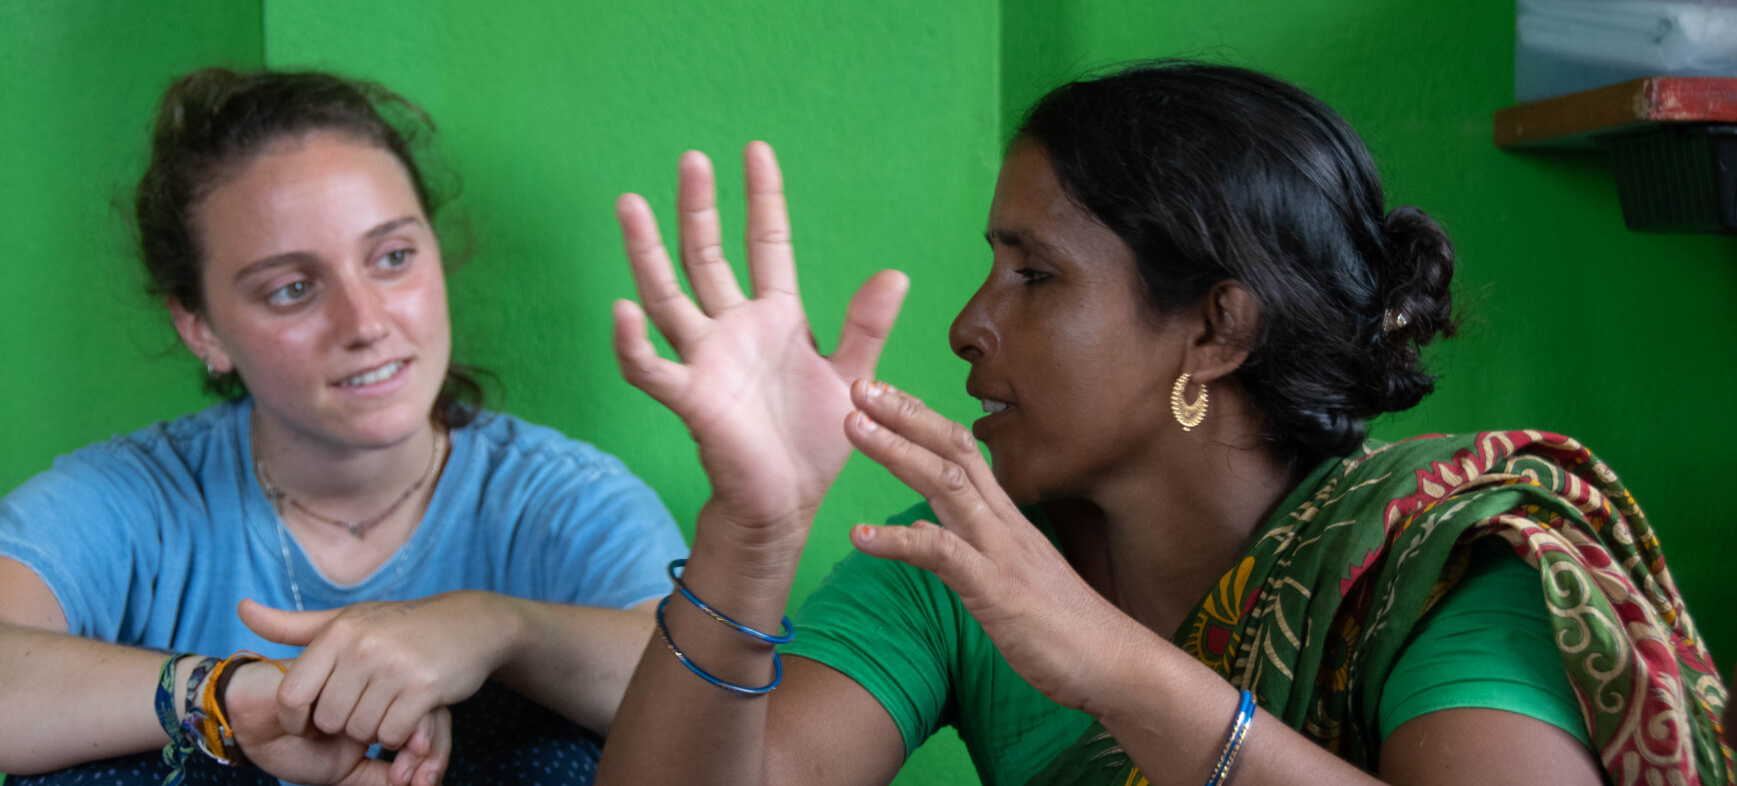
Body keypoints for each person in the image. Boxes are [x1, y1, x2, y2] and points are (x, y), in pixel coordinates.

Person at [595, 61, 1733, 785]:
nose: (966, 326)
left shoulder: (1433, 566)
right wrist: (752, 530)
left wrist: (1113, 668)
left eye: (1033, 275)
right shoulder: (963, 560)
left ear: (1216, 330)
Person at [0, 68, 687, 786]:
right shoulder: (137, 500)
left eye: (393, 258)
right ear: (199, 326)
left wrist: (500, 629)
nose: (365, 323)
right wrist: (230, 697)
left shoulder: (567, 502)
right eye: (292, 289)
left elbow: (710, 719)